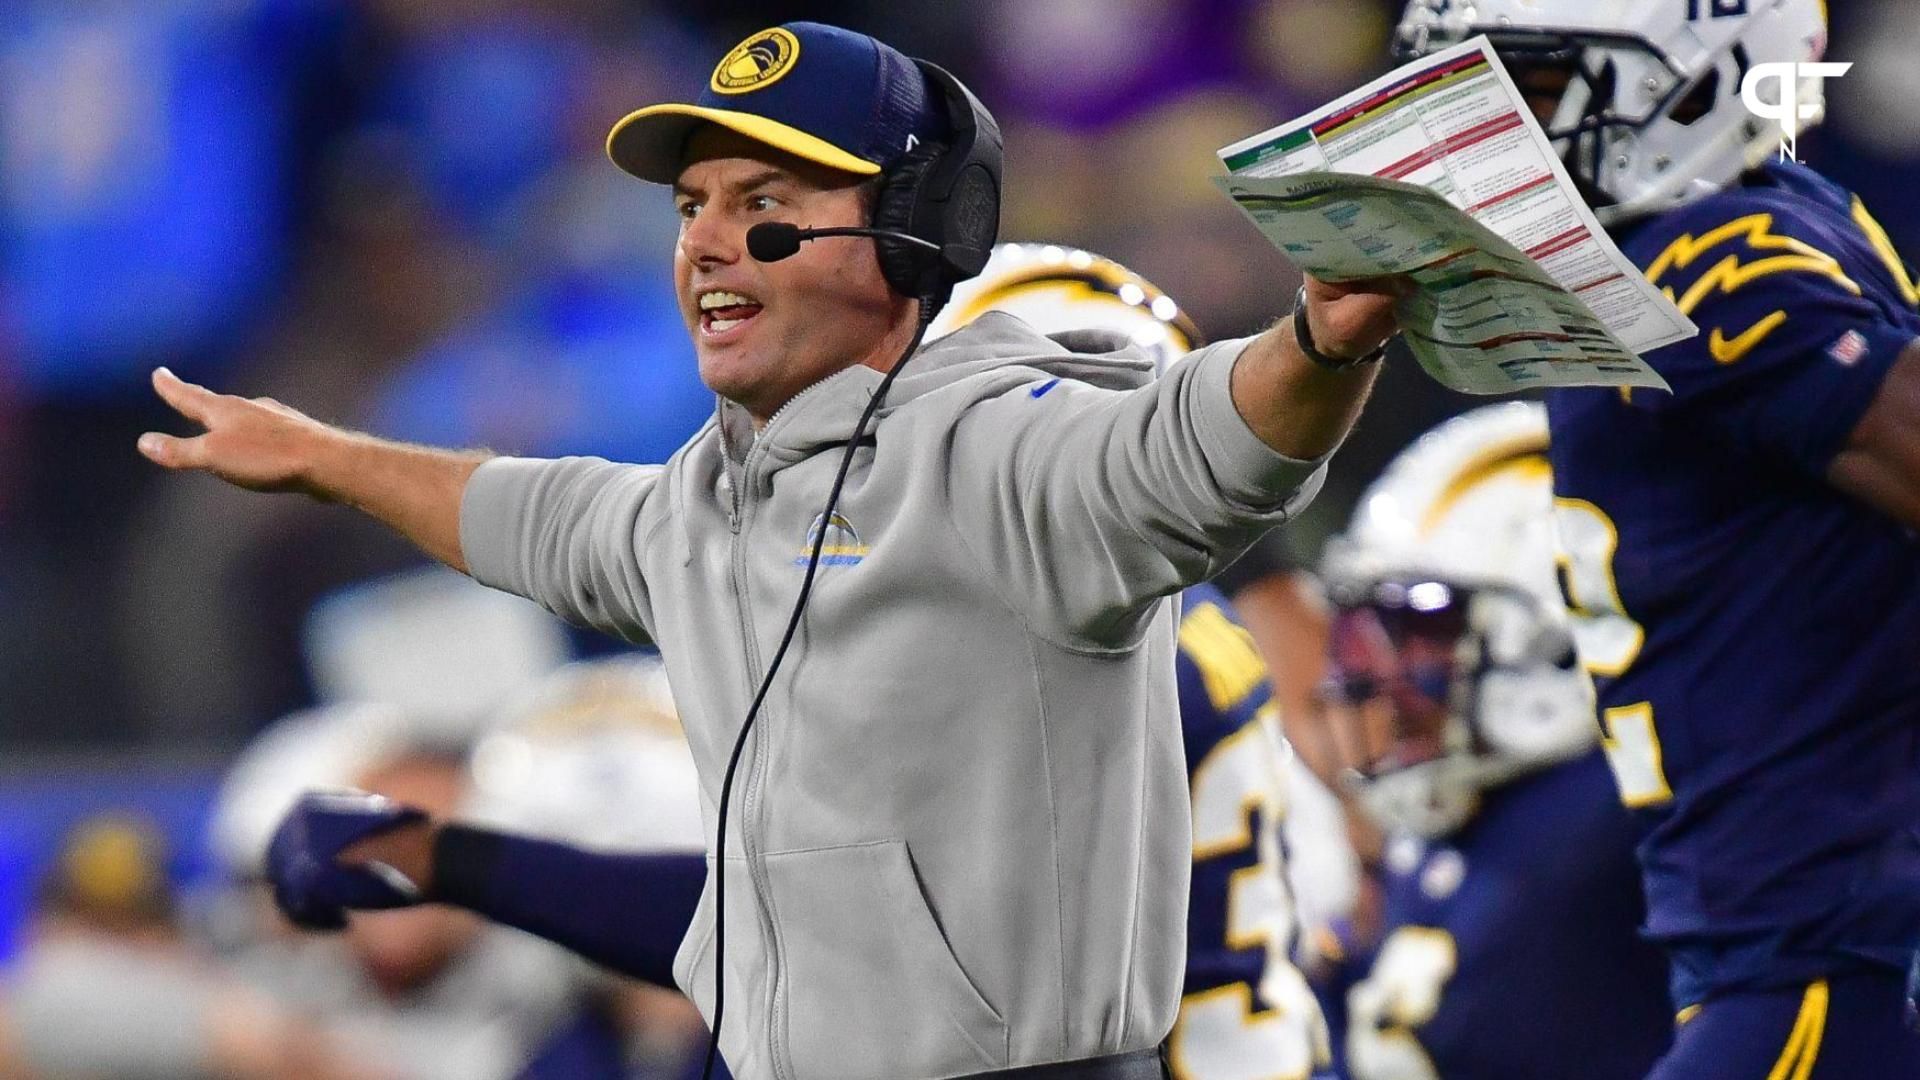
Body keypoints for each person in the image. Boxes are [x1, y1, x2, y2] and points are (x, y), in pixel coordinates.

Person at [141, 20, 1410, 1080]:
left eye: (765, 208)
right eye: (694, 207)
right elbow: (525, 510)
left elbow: (1205, 442)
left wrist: (1325, 340)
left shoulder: (1005, 452)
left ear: (914, 228)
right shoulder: (716, 497)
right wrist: (318, 455)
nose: (702, 243)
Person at [1395, 2, 1920, 1076]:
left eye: (1525, 96)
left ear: (1686, 83)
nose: (1482, 147)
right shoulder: (1737, 228)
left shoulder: (1708, 253)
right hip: (1790, 949)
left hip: (1821, 962)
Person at [1314, 403, 1672, 1079]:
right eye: (1380, 634)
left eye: (1422, 631)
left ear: (1553, 632)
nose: (1384, 672)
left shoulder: (1604, 823)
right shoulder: (1464, 810)